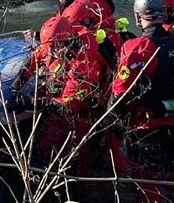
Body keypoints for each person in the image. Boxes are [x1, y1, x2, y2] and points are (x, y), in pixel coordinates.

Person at [110, 0, 174, 203]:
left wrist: (114, 125)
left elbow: (119, 95)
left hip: (147, 126)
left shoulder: (135, 49)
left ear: (138, 16)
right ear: (164, 14)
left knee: (146, 180)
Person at [10, 15, 112, 178]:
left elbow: (67, 104)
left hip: (83, 116)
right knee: (46, 145)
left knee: (78, 160)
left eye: (51, 47)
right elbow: (36, 56)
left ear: (61, 44)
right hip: (60, 103)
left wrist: (30, 103)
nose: (47, 51)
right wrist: (20, 81)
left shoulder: (85, 63)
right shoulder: (57, 43)